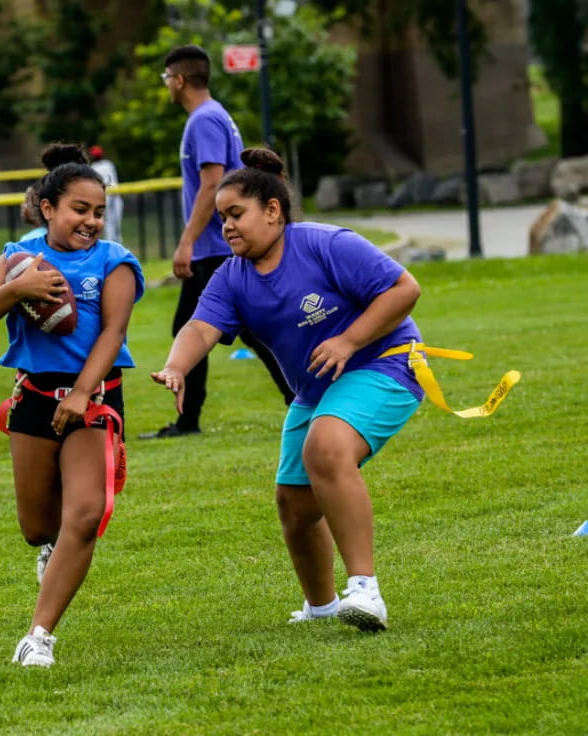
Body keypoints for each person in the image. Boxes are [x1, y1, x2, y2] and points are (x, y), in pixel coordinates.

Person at [150, 147, 426, 632]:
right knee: (294, 504)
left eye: (236, 214)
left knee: (326, 446)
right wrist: (176, 367)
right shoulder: (231, 276)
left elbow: (404, 289)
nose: (227, 226)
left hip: (387, 364)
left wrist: (348, 340)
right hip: (319, 390)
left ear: (272, 211)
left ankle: (366, 591)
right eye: (221, 218)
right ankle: (320, 608)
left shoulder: (327, 244)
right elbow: (199, 329)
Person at [0, 143, 144, 667]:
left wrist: (85, 393)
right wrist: (20, 286)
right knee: (38, 528)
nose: (90, 221)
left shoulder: (115, 262)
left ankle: (38, 637)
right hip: (35, 397)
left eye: (97, 212)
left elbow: (113, 332)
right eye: (79, 210)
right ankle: (51, 547)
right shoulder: (18, 254)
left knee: (84, 516)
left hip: (94, 397)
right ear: (48, 208)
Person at [140, 44, 294, 440]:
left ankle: (188, 421)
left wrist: (186, 242)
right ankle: (296, 395)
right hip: (218, 245)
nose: (167, 86)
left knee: (191, 327)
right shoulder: (214, 114)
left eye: (166, 79)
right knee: (247, 327)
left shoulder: (204, 120)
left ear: (178, 79)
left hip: (212, 246)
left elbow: (212, 183)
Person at [88, 145, 123, 243]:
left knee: (115, 223)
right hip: (105, 196)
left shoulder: (106, 164)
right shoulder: (96, 167)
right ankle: (111, 243)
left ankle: (117, 244)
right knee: (109, 223)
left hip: (114, 195)